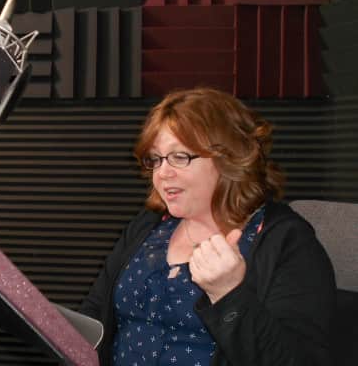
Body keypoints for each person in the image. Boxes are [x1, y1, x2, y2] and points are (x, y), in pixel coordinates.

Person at [80, 88, 336, 366]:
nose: (162, 173)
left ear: (228, 158)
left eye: (180, 157)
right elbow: (94, 316)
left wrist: (229, 295)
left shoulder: (286, 240)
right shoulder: (147, 226)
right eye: (156, 159)